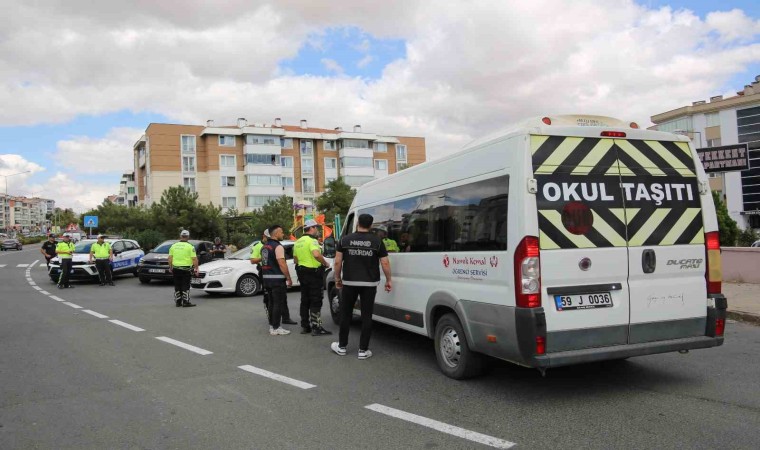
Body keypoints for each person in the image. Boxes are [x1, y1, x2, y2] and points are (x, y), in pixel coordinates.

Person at [331, 213, 392, 360]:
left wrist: (337, 278)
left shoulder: (345, 239)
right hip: (369, 284)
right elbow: (385, 262)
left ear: (357, 222)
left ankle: (342, 347)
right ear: (371, 225)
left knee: (346, 314)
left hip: (350, 283)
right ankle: (363, 350)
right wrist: (389, 280)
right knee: (366, 316)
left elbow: (338, 262)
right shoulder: (377, 241)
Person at [294, 219, 332, 336]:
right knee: (316, 299)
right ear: (312, 228)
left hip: (302, 273)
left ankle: (305, 326)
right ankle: (316, 327)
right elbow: (316, 254)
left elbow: (295, 259)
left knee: (305, 300)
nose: (318, 230)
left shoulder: (298, 242)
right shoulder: (312, 241)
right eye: (316, 228)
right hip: (313, 274)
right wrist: (325, 263)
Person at [260, 225, 293, 335]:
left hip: (266, 279)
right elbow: (282, 263)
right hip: (277, 279)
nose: (283, 234)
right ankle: (276, 327)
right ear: (276, 233)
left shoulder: (264, 247)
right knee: (278, 303)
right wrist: (288, 277)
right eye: (282, 232)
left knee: (271, 303)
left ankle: (272, 326)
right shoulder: (278, 247)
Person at [167, 230, 199, 308]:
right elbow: (194, 259)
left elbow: (170, 258)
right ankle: (186, 302)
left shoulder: (173, 246)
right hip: (186, 269)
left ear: (180, 236)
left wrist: (170, 267)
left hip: (176, 268)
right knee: (185, 285)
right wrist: (196, 269)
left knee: (177, 285)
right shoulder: (190, 246)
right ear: (188, 237)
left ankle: (178, 302)